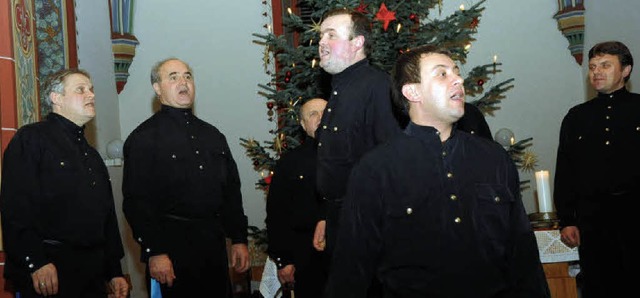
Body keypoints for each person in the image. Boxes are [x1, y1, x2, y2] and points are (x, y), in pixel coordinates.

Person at [324, 45, 550, 297]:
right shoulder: (375, 169)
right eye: (442, 74)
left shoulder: (493, 157)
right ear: (412, 91)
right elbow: (350, 271)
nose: (458, 79)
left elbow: (524, 256)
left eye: (456, 71)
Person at [122, 58, 250, 298]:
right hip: (170, 249)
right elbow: (137, 202)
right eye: (173, 77)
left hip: (213, 245)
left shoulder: (213, 135)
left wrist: (239, 238)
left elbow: (231, 192)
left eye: (188, 76)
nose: (183, 82)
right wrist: (155, 252)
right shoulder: (143, 139)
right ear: (157, 89)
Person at [0, 68, 129, 298]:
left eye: (91, 90)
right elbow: (16, 206)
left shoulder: (92, 155)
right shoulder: (31, 139)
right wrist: (36, 262)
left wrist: (114, 271)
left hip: (93, 274)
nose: (91, 95)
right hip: (51, 272)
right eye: (81, 90)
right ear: (56, 98)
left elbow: (106, 216)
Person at [312, 7, 401, 257]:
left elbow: (392, 162)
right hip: (340, 220)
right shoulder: (338, 91)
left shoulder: (378, 87)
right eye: (321, 36)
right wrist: (325, 217)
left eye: (331, 35)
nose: (321, 42)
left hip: (368, 225)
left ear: (357, 43)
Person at [554, 40, 639, 298]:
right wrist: (567, 220)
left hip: (636, 217)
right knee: (600, 286)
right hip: (594, 222)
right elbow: (565, 171)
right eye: (592, 67)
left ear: (626, 70)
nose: (596, 72)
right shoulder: (576, 117)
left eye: (605, 65)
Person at [266, 98, 328, 298]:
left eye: (325, 112)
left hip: (345, 256)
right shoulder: (289, 163)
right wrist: (284, 260)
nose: (320, 118)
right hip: (305, 259)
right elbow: (276, 215)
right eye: (313, 114)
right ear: (303, 124)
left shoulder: (351, 156)